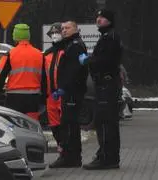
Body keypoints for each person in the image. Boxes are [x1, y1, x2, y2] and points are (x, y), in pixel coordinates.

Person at [78, 9, 122, 170]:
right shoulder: (106, 37)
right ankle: (108, 155)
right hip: (105, 84)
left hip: (106, 85)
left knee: (104, 122)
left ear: (109, 20)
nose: (98, 19)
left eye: (102, 17)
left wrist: (89, 60)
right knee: (107, 122)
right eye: (97, 17)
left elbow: (106, 61)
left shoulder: (110, 38)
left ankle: (106, 157)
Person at [49, 21, 88, 168]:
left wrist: (63, 88)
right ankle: (73, 157)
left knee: (68, 124)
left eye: (68, 28)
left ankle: (69, 157)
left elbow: (74, 70)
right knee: (70, 124)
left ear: (76, 29)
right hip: (71, 90)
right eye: (63, 28)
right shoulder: (70, 44)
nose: (64, 30)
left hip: (72, 91)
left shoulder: (75, 46)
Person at [0, 24, 44, 120]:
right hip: (33, 97)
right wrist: (45, 97)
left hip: (14, 97)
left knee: (13, 124)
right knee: (31, 125)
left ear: (15, 36)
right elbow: (46, 78)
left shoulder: (11, 54)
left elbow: (0, 77)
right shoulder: (39, 54)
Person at [43, 22, 64, 146]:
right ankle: (60, 145)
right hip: (51, 93)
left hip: (63, 92)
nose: (55, 35)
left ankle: (67, 147)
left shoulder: (66, 51)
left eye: (57, 32)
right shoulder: (47, 54)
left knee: (65, 121)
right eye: (53, 33)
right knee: (54, 122)